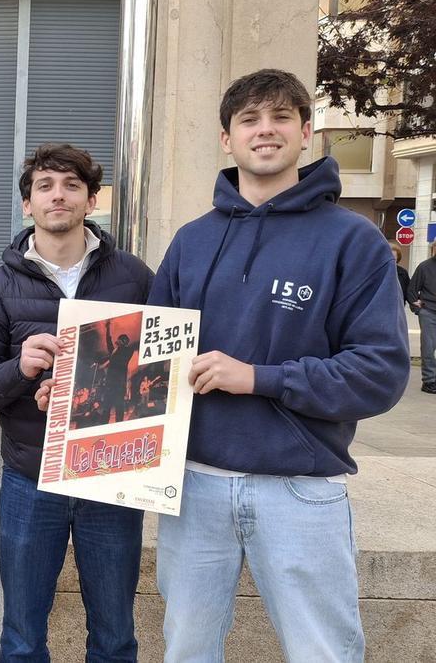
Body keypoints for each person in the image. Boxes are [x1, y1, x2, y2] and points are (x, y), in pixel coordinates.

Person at [148, 68, 410, 661]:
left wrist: (259, 378)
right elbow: (152, 357)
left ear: (306, 131)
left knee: (324, 652)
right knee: (186, 649)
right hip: (194, 485)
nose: (265, 131)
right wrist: (81, 393)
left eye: (280, 118)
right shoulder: (191, 241)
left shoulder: (353, 241)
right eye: (249, 120)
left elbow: (380, 371)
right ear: (227, 138)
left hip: (300, 489)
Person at [0, 143, 153, 662]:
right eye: (44, 186)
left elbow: (163, 375)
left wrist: (101, 385)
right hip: (30, 477)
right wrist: (21, 370)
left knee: (115, 636)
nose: (57, 195)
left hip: (112, 475)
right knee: (21, 637)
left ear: (91, 199)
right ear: (28, 204)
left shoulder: (134, 277)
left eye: (71, 185)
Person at [406, 243, 436, 393]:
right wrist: (417, 308)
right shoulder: (424, 267)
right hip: (429, 311)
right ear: (433, 249)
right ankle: (429, 381)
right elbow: (411, 289)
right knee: (429, 347)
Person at [389, 240, 410, 306]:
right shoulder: (378, 272)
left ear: (397, 258)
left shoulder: (403, 272)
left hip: (398, 307)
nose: (391, 260)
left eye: (394, 258)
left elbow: (408, 291)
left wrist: (415, 301)